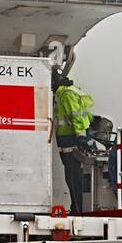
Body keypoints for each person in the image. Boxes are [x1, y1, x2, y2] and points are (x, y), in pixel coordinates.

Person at [53, 74, 94, 213]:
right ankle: (77, 207)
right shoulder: (70, 91)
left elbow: (76, 116)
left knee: (73, 177)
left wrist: (81, 136)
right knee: (73, 177)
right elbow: (84, 115)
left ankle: (78, 209)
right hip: (71, 140)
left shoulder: (65, 94)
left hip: (71, 141)